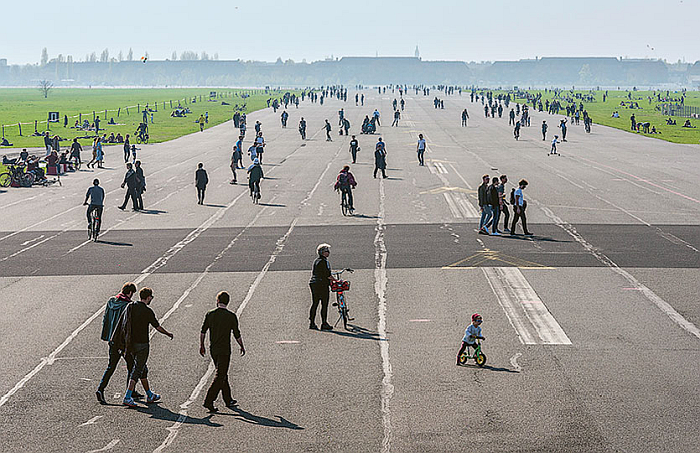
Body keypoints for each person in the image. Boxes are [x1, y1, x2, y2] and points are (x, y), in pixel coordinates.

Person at [114, 287, 174, 407]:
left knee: (142, 369)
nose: (151, 299)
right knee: (137, 370)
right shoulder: (148, 311)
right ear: (148, 297)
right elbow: (157, 327)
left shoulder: (131, 306)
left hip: (130, 344)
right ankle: (127, 396)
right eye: (151, 297)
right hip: (142, 345)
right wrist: (168, 333)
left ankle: (149, 394)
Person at [96, 283, 143, 404]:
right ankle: (130, 391)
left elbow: (105, 318)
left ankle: (101, 389)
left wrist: (106, 335)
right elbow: (128, 325)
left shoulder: (111, 301)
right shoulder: (128, 306)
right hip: (123, 342)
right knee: (131, 365)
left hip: (112, 340)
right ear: (130, 293)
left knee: (111, 366)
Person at [200, 291, 245, 412]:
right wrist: (241, 345)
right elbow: (236, 334)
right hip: (225, 350)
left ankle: (228, 399)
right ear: (228, 302)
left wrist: (202, 345)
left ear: (218, 300)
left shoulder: (210, 314)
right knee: (220, 375)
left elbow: (203, 331)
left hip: (213, 349)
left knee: (222, 373)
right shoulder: (231, 316)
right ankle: (208, 401)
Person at [308, 243, 337, 331]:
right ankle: (324, 323)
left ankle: (312, 322)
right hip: (322, 284)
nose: (328, 253)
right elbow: (327, 275)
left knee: (315, 303)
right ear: (322, 253)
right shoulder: (324, 261)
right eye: (327, 251)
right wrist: (335, 281)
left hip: (314, 283)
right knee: (324, 304)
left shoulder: (316, 261)